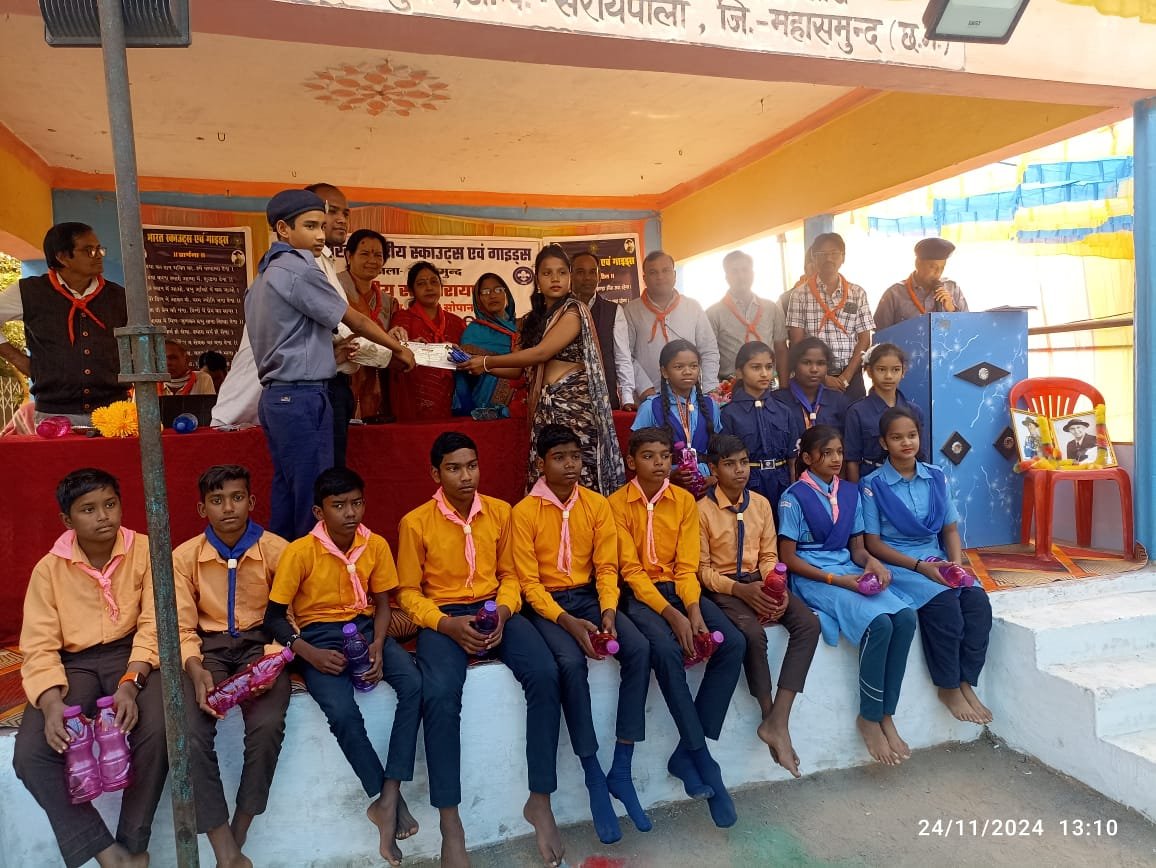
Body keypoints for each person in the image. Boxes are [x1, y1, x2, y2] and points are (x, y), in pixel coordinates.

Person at [396, 432, 564, 868]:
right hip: (444, 616)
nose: (466, 476)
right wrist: (446, 624)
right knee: (439, 695)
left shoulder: (500, 512)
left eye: (471, 466)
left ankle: (540, 799)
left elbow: (511, 575)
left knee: (546, 673)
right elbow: (408, 593)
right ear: (435, 474)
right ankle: (451, 825)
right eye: (454, 468)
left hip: (496, 609)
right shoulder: (415, 523)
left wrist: (504, 613)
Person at [263, 467, 421, 866]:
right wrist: (308, 653)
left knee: (414, 684)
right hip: (318, 638)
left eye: (357, 503)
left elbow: (383, 603)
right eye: (339, 506)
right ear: (319, 511)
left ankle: (389, 794)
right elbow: (274, 618)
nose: (350, 513)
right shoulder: (300, 552)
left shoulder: (375, 544)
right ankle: (385, 798)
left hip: (366, 628)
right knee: (342, 712)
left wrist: (380, 645)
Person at [14, 468, 167, 868]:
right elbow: (39, 645)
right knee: (32, 753)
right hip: (74, 665)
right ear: (67, 520)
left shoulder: (145, 551)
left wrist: (131, 682)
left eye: (110, 504)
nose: (103, 516)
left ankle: (133, 844)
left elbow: (155, 623)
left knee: (161, 727)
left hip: (134, 654)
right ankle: (108, 852)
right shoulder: (49, 570)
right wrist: (51, 703)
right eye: (88, 509)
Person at [245, 188, 415, 541]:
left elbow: (289, 338)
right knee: (314, 495)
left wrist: (327, 354)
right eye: (310, 226)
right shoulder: (299, 269)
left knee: (288, 491)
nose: (321, 235)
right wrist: (398, 350)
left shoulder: (262, 278)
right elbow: (355, 320)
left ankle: (284, 567)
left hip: (277, 398)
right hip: (302, 398)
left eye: (322, 226)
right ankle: (312, 571)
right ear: (283, 229)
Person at [513, 424, 652, 843]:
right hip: (548, 606)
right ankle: (593, 776)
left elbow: (607, 568)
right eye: (559, 458)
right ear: (541, 464)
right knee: (570, 664)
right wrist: (567, 622)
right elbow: (529, 584)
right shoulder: (524, 512)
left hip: (590, 598)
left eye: (575, 456)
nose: (570, 465)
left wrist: (608, 609)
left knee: (639, 648)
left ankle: (622, 765)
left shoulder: (596, 505)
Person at [609, 427, 745, 828]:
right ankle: (705, 762)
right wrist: (673, 615)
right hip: (640, 597)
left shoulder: (684, 501)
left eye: (665, 457)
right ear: (631, 462)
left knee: (733, 642)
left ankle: (685, 752)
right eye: (648, 456)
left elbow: (686, 568)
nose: (659, 464)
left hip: (680, 590)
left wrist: (692, 609)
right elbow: (631, 572)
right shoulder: (615, 505)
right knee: (666, 651)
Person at [777, 426, 916, 766]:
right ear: (808, 458)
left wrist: (872, 563)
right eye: (827, 453)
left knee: (905, 617)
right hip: (814, 577)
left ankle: (886, 713)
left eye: (839, 451)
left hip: (847, 569)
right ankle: (869, 717)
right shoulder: (793, 497)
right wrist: (835, 579)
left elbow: (857, 548)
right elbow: (788, 558)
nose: (836, 459)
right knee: (879, 624)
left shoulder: (850, 493)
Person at [173, 465, 290, 867]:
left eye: (237, 498)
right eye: (217, 500)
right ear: (202, 508)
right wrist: (195, 668)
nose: (228, 508)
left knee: (267, 725)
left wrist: (272, 660)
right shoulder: (184, 558)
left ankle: (239, 830)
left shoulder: (277, 551)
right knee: (189, 730)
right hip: (209, 649)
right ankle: (224, 844)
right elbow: (181, 626)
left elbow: (293, 615)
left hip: (262, 645)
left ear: (251, 502)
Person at [861, 407, 993, 726]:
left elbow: (950, 530)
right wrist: (920, 567)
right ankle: (948, 687)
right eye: (897, 437)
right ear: (883, 442)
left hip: (936, 557)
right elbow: (873, 544)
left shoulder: (935, 476)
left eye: (912, 435)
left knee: (977, 603)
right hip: (902, 564)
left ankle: (965, 680)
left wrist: (956, 566)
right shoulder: (872, 485)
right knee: (945, 606)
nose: (906, 442)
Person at [698, 434, 820, 778]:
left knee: (808, 624)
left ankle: (779, 718)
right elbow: (702, 571)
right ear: (713, 469)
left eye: (743, 462)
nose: (740, 470)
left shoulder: (762, 504)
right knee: (752, 635)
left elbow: (768, 555)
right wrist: (740, 590)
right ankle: (768, 715)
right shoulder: (701, 510)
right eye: (729, 464)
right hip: (724, 588)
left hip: (760, 581)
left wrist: (774, 585)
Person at [458, 245, 624, 495]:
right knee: (547, 477)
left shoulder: (574, 311)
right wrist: (478, 366)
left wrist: (486, 362)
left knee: (578, 478)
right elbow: (519, 370)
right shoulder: (530, 320)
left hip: (575, 411)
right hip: (544, 411)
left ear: (569, 277)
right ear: (537, 279)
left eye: (561, 272)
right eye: (547, 273)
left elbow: (541, 353)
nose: (555, 279)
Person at [0, 222, 129, 425]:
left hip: (114, 412)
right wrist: (18, 359)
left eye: (99, 249)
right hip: (54, 413)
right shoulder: (29, 292)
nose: (98, 256)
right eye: (89, 250)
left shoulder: (119, 296)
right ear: (62, 257)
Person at [614, 250, 720, 409]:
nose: (660, 277)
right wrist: (644, 388)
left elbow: (709, 350)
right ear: (644, 278)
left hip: (691, 397)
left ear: (674, 275)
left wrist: (708, 389)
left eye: (665, 270)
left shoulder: (692, 307)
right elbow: (625, 354)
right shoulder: (631, 310)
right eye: (653, 272)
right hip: (649, 399)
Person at [786, 232, 873, 402]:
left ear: (843, 257)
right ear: (814, 258)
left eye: (834, 253)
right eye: (822, 254)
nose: (829, 258)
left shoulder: (857, 293)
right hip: (813, 378)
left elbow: (864, 339)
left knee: (854, 417)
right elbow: (797, 343)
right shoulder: (799, 295)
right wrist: (824, 378)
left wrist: (846, 377)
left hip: (851, 378)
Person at [631, 339, 722, 492]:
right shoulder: (651, 407)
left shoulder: (710, 405)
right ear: (664, 372)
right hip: (664, 485)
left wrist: (715, 477)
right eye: (679, 367)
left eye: (693, 366)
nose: (688, 371)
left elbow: (720, 449)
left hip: (707, 484)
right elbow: (636, 452)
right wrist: (670, 474)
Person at [339, 228, 407, 422]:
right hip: (342, 377)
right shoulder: (333, 288)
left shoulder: (388, 302)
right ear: (349, 256)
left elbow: (389, 339)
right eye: (364, 254)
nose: (372, 260)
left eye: (378, 255)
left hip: (377, 380)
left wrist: (399, 337)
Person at [721, 341, 797, 512]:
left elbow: (793, 459)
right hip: (746, 484)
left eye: (769, 367)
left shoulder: (784, 411)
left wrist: (793, 492)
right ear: (739, 372)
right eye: (755, 367)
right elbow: (725, 460)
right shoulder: (729, 414)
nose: (764, 373)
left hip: (782, 483)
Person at [390, 261, 467, 422]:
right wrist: (412, 348)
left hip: (450, 394)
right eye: (421, 283)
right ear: (411, 290)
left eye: (434, 282)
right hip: (413, 392)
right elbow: (394, 356)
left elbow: (468, 360)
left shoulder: (456, 322)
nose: (429, 287)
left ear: (441, 286)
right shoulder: (402, 319)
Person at [843, 344, 926, 482]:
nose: (888, 376)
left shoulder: (914, 411)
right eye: (881, 369)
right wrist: (856, 492)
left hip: (908, 482)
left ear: (903, 371)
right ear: (869, 371)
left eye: (895, 369)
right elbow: (852, 460)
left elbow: (921, 455)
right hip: (871, 482)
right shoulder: (857, 411)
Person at [707, 250, 789, 385]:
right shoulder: (713, 313)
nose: (741, 276)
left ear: (753, 274)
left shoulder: (771, 308)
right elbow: (709, 356)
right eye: (734, 271)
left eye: (745, 270)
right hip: (732, 387)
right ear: (726, 277)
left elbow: (781, 349)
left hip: (767, 384)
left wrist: (784, 388)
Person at [454, 272, 522, 416]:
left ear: (506, 294)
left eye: (498, 289)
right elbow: (465, 374)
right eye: (485, 292)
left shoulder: (522, 327)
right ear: (478, 299)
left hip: (522, 403)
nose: (492, 295)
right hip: (485, 405)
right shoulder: (473, 331)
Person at [873, 238, 969, 332]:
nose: (938, 273)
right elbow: (880, 335)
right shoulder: (894, 294)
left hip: (944, 342)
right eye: (932, 267)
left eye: (942, 268)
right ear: (918, 264)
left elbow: (967, 327)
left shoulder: (952, 289)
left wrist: (952, 310)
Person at [570, 251, 624, 409]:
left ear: (599, 276)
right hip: (569, 397)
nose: (587, 278)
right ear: (571, 276)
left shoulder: (613, 311)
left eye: (592, 272)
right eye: (580, 272)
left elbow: (622, 357)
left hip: (605, 397)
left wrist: (627, 397)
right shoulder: (561, 309)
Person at [773, 336, 848, 441]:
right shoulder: (778, 401)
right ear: (794, 364)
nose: (814, 369)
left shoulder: (838, 401)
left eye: (820, 363)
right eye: (807, 362)